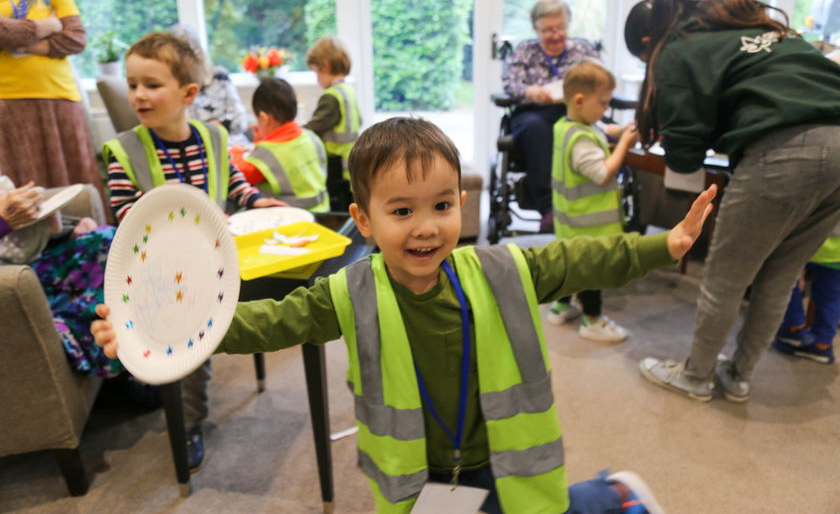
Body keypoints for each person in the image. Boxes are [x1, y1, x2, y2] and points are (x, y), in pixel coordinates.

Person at [93, 117, 717, 513]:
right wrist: (154, 331)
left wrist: (661, 245)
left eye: (441, 205)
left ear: (461, 206)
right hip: (418, 471)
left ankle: (612, 496)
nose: (425, 227)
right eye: (401, 212)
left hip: (503, 453)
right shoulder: (347, 291)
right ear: (363, 221)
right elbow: (270, 321)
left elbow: (583, 260)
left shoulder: (501, 269)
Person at [624, 0, 840, 402]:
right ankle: (737, 377)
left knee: (725, 277)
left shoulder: (676, 48)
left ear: (648, 44)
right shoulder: (744, 24)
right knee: (780, 276)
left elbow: (684, 156)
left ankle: (695, 376)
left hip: (784, 149)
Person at [101, 31, 285, 471]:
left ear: (188, 93)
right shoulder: (123, 151)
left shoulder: (215, 138)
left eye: (151, 84)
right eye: (132, 85)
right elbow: (126, 214)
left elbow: (233, 184)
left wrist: (256, 199)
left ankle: (185, 414)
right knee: (186, 351)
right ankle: (186, 424)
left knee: (202, 348)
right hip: (157, 274)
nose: (138, 95)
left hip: (214, 266)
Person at [546, 60, 639, 343]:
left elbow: (604, 128)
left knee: (572, 267)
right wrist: (623, 146)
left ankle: (561, 307)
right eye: (602, 103)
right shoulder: (581, 140)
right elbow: (602, 174)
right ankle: (592, 321)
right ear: (579, 100)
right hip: (589, 225)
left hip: (570, 221)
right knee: (592, 273)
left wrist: (621, 131)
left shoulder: (567, 125)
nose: (605, 110)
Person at [0, 0, 105, 203]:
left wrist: (20, 44)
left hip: (61, 96)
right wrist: (48, 25)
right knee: (24, 194)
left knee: (78, 191)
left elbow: (76, 38)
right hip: (7, 99)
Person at [0, 174, 119, 378]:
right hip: (11, 283)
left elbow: (14, 244)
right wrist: (3, 221)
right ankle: (120, 364)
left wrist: (57, 225)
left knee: (109, 240)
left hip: (29, 263)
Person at [502, 0, 601, 231]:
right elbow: (509, 84)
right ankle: (549, 208)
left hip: (574, 110)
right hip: (533, 112)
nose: (555, 35)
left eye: (560, 28)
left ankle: (590, 202)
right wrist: (532, 91)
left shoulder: (583, 49)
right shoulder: (526, 50)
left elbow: (601, 80)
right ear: (536, 29)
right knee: (537, 128)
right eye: (547, 30)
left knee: (589, 128)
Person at [230, 77, 329, 212]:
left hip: (290, 217)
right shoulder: (311, 136)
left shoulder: (266, 153)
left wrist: (236, 152)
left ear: (264, 118)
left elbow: (240, 175)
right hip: (323, 210)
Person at [169, 25, 255, 148]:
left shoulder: (219, 77)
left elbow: (240, 119)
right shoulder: (172, 90)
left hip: (236, 146)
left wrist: (219, 124)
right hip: (201, 150)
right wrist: (211, 128)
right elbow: (180, 130)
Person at [304, 36, 361, 211]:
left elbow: (313, 128)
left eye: (316, 73)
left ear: (326, 66)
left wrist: (291, 132)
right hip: (351, 166)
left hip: (335, 167)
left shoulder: (331, 97)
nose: (317, 79)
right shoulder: (348, 92)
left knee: (340, 213)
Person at [772, 227, 840, 365]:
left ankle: (794, 328)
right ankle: (822, 344)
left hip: (810, 238)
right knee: (831, 297)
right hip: (837, 251)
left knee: (783, 279)